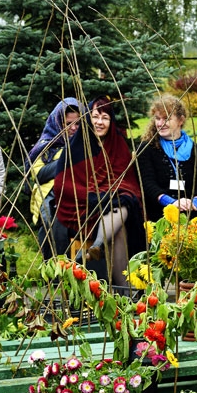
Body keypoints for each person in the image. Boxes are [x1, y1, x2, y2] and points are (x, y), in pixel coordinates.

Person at [54, 96, 144, 287]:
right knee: (118, 222)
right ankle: (125, 293)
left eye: (105, 117)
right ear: (88, 118)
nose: (99, 122)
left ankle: (97, 246)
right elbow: (63, 185)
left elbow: (128, 182)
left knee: (123, 201)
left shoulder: (118, 145)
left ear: (111, 122)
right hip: (82, 210)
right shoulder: (75, 146)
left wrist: (109, 195)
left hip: (111, 206)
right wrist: (93, 197)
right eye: (95, 116)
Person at [136, 94, 197, 222]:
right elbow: (147, 184)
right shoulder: (147, 149)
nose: (160, 123)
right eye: (157, 118)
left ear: (180, 120)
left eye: (166, 118)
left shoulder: (196, 151)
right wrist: (171, 203)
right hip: (159, 213)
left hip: (191, 211)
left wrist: (194, 204)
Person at [26, 97, 83, 259]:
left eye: (78, 123)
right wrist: (67, 157)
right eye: (67, 124)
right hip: (50, 197)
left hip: (79, 197)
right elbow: (39, 175)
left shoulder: (88, 145)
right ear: (58, 123)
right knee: (53, 220)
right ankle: (53, 270)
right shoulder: (47, 144)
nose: (73, 128)